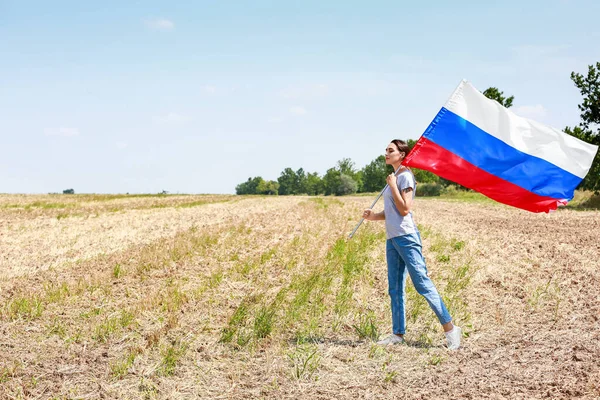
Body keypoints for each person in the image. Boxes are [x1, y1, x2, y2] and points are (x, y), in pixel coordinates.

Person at [362, 139, 461, 350]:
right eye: (386, 150)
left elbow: (405, 208)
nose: (386, 153)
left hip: (406, 237)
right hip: (392, 238)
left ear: (402, 154)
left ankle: (451, 330)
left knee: (422, 284)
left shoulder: (405, 176)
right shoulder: (395, 176)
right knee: (395, 288)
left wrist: (392, 186)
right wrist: (374, 217)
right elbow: (393, 213)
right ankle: (398, 334)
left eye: (391, 150)